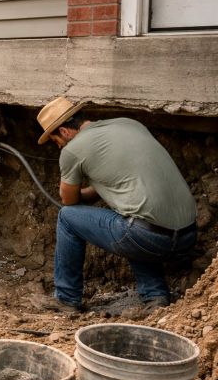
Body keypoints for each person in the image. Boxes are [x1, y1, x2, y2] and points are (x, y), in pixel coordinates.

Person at [31, 96, 197, 314]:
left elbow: (69, 202)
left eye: (56, 141)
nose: (59, 146)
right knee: (133, 215)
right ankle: (155, 296)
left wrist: (72, 188)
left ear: (63, 131)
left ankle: (66, 298)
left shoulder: (72, 150)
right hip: (188, 235)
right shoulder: (129, 124)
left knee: (67, 217)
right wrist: (96, 188)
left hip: (147, 239)